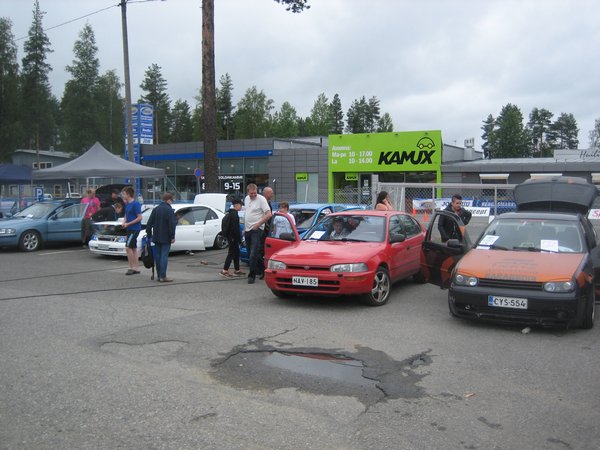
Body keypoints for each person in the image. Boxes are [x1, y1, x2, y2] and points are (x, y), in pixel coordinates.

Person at [244, 183, 272, 284]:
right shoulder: (246, 199)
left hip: (257, 229)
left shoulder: (261, 199)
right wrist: (245, 228)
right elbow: (247, 213)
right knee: (251, 253)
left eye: (255, 193)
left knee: (253, 253)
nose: (253, 195)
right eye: (251, 193)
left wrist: (258, 224)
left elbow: (269, 214)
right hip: (248, 229)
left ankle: (251, 275)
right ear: (248, 192)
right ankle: (264, 270)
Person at [146, 192, 177, 282]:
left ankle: (159, 275)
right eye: (172, 200)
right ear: (168, 200)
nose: (172, 202)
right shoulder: (169, 210)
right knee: (164, 256)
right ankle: (163, 276)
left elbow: (149, 223)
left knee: (158, 256)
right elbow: (172, 225)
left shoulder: (156, 209)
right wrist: (172, 236)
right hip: (166, 237)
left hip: (156, 236)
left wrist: (149, 234)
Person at [121, 186, 143, 275]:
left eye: (124, 194)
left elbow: (140, 217)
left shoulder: (136, 204)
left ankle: (131, 267)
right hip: (129, 228)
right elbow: (126, 215)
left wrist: (128, 224)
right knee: (133, 248)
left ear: (128, 194)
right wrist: (124, 222)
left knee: (128, 247)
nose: (122, 195)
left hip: (134, 229)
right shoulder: (127, 204)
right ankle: (136, 268)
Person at [220, 198, 244, 278]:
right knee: (231, 253)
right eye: (240, 205)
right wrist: (239, 240)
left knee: (236, 253)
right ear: (236, 205)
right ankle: (224, 270)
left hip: (230, 237)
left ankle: (237, 270)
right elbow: (235, 229)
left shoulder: (230, 213)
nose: (241, 207)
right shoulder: (234, 215)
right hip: (233, 237)